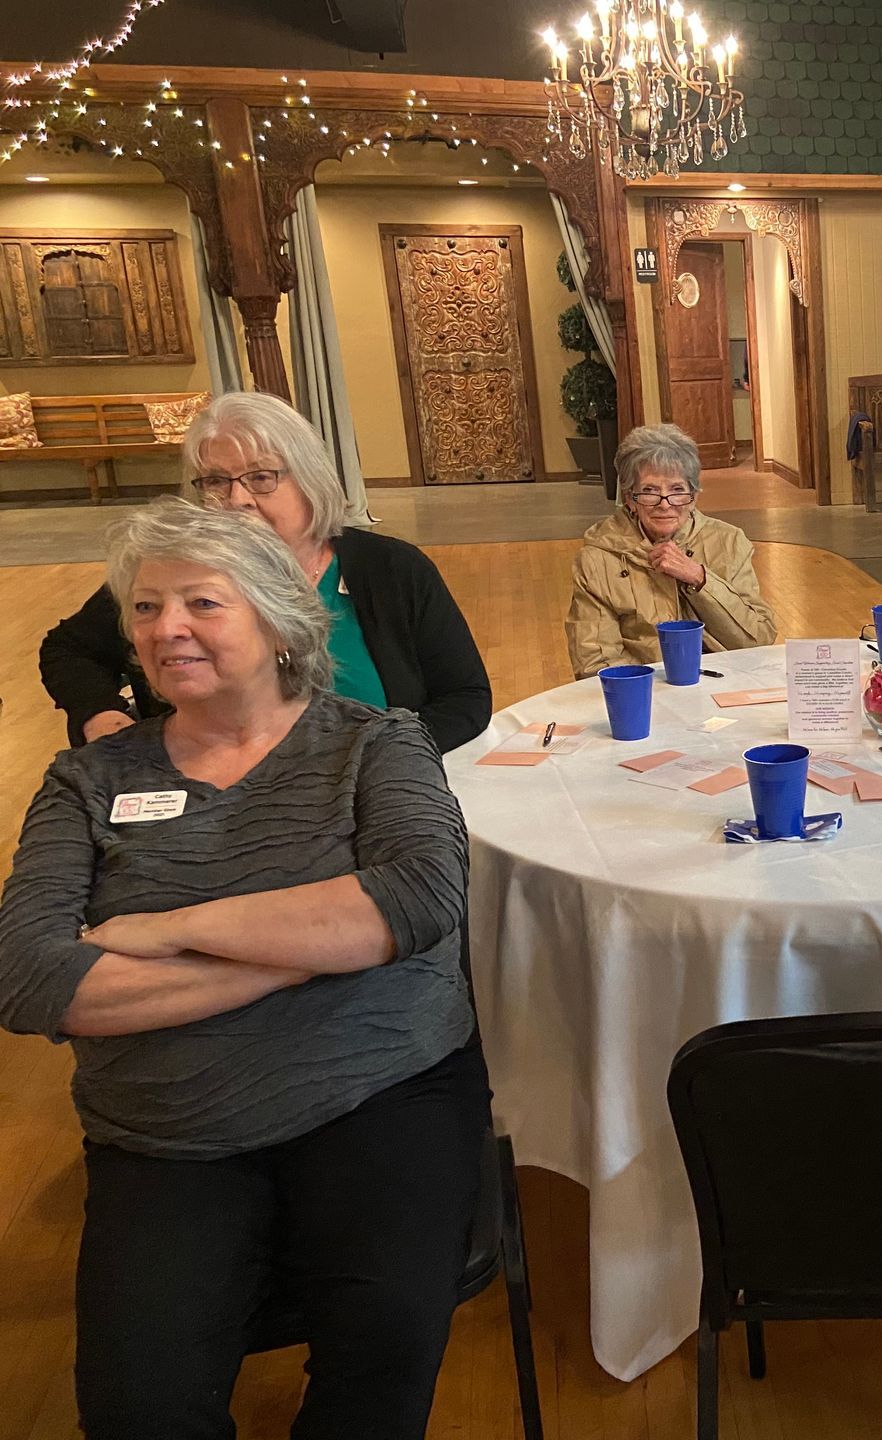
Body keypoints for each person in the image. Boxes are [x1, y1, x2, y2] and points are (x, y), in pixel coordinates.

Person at [0, 500, 485, 1438]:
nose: (163, 629)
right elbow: (29, 978)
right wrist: (311, 952)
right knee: (136, 1408)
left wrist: (168, 928)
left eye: (199, 603)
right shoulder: (88, 781)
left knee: (380, 1356)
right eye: (145, 609)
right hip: (169, 1132)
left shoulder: (373, 743)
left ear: (274, 618)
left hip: (377, 1089)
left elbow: (417, 900)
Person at [38, 391, 490, 754]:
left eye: (261, 477)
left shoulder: (392, 569)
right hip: (219, 800)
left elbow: (465, 698)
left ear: (310, 480)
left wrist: (386, 758)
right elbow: (68, 650)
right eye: (215, 481)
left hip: (379, 790)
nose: (237, 500)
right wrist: (100, 712)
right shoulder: (173, 577)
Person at [565, 422, 776, 677]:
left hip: (723, 687)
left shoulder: (729, 542)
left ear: (694, 496)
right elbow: (594, 664)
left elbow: (757, 640)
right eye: (650, 491)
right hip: (642, 694)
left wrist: (700, 578)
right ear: (631, 499)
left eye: (677, 491)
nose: (665, 505)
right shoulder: (598, 558)